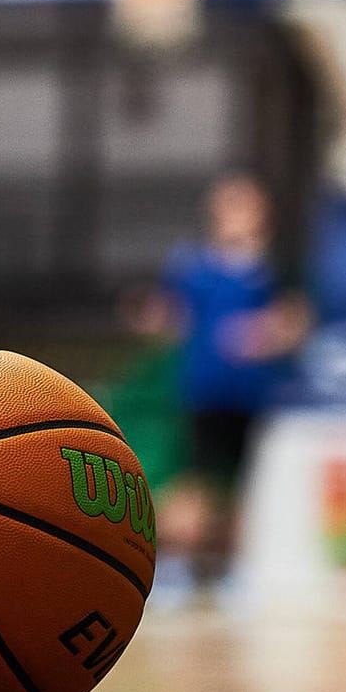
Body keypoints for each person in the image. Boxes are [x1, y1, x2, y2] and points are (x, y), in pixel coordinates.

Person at [127, 174, 309, 591]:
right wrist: (152, 318)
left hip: (251, 395)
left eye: (244, 206)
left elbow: (295, 320)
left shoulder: (270, 271)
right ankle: (175, 566)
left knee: (246, 486)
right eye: (228, 206)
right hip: (204, 393)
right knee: (197, 483)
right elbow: (171, 318)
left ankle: (240, 573)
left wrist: (265, 333)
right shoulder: (194, 268)